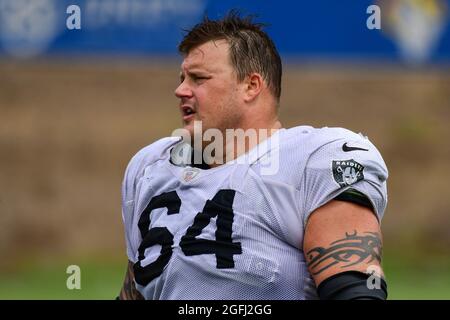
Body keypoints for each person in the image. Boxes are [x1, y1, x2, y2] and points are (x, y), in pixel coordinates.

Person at [118, 11, 388, 300]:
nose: (180, 90)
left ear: (251, 86)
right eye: (182, 78)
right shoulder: (151, 168)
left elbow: (354, 291)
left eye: (198, 78)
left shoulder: (312, 160)